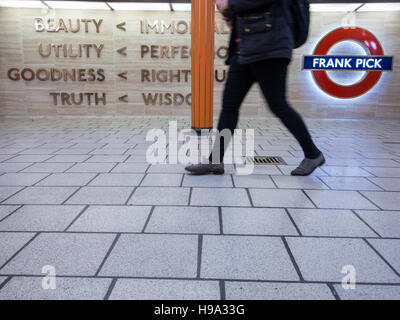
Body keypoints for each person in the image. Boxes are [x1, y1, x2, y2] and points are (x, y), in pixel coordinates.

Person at [185, 0, 325, 176]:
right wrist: (230, 14)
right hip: (244, 49)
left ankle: (313, 154)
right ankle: (215, 161)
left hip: (270, 47)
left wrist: (230, 4)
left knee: (278, 104)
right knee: (229, 106)